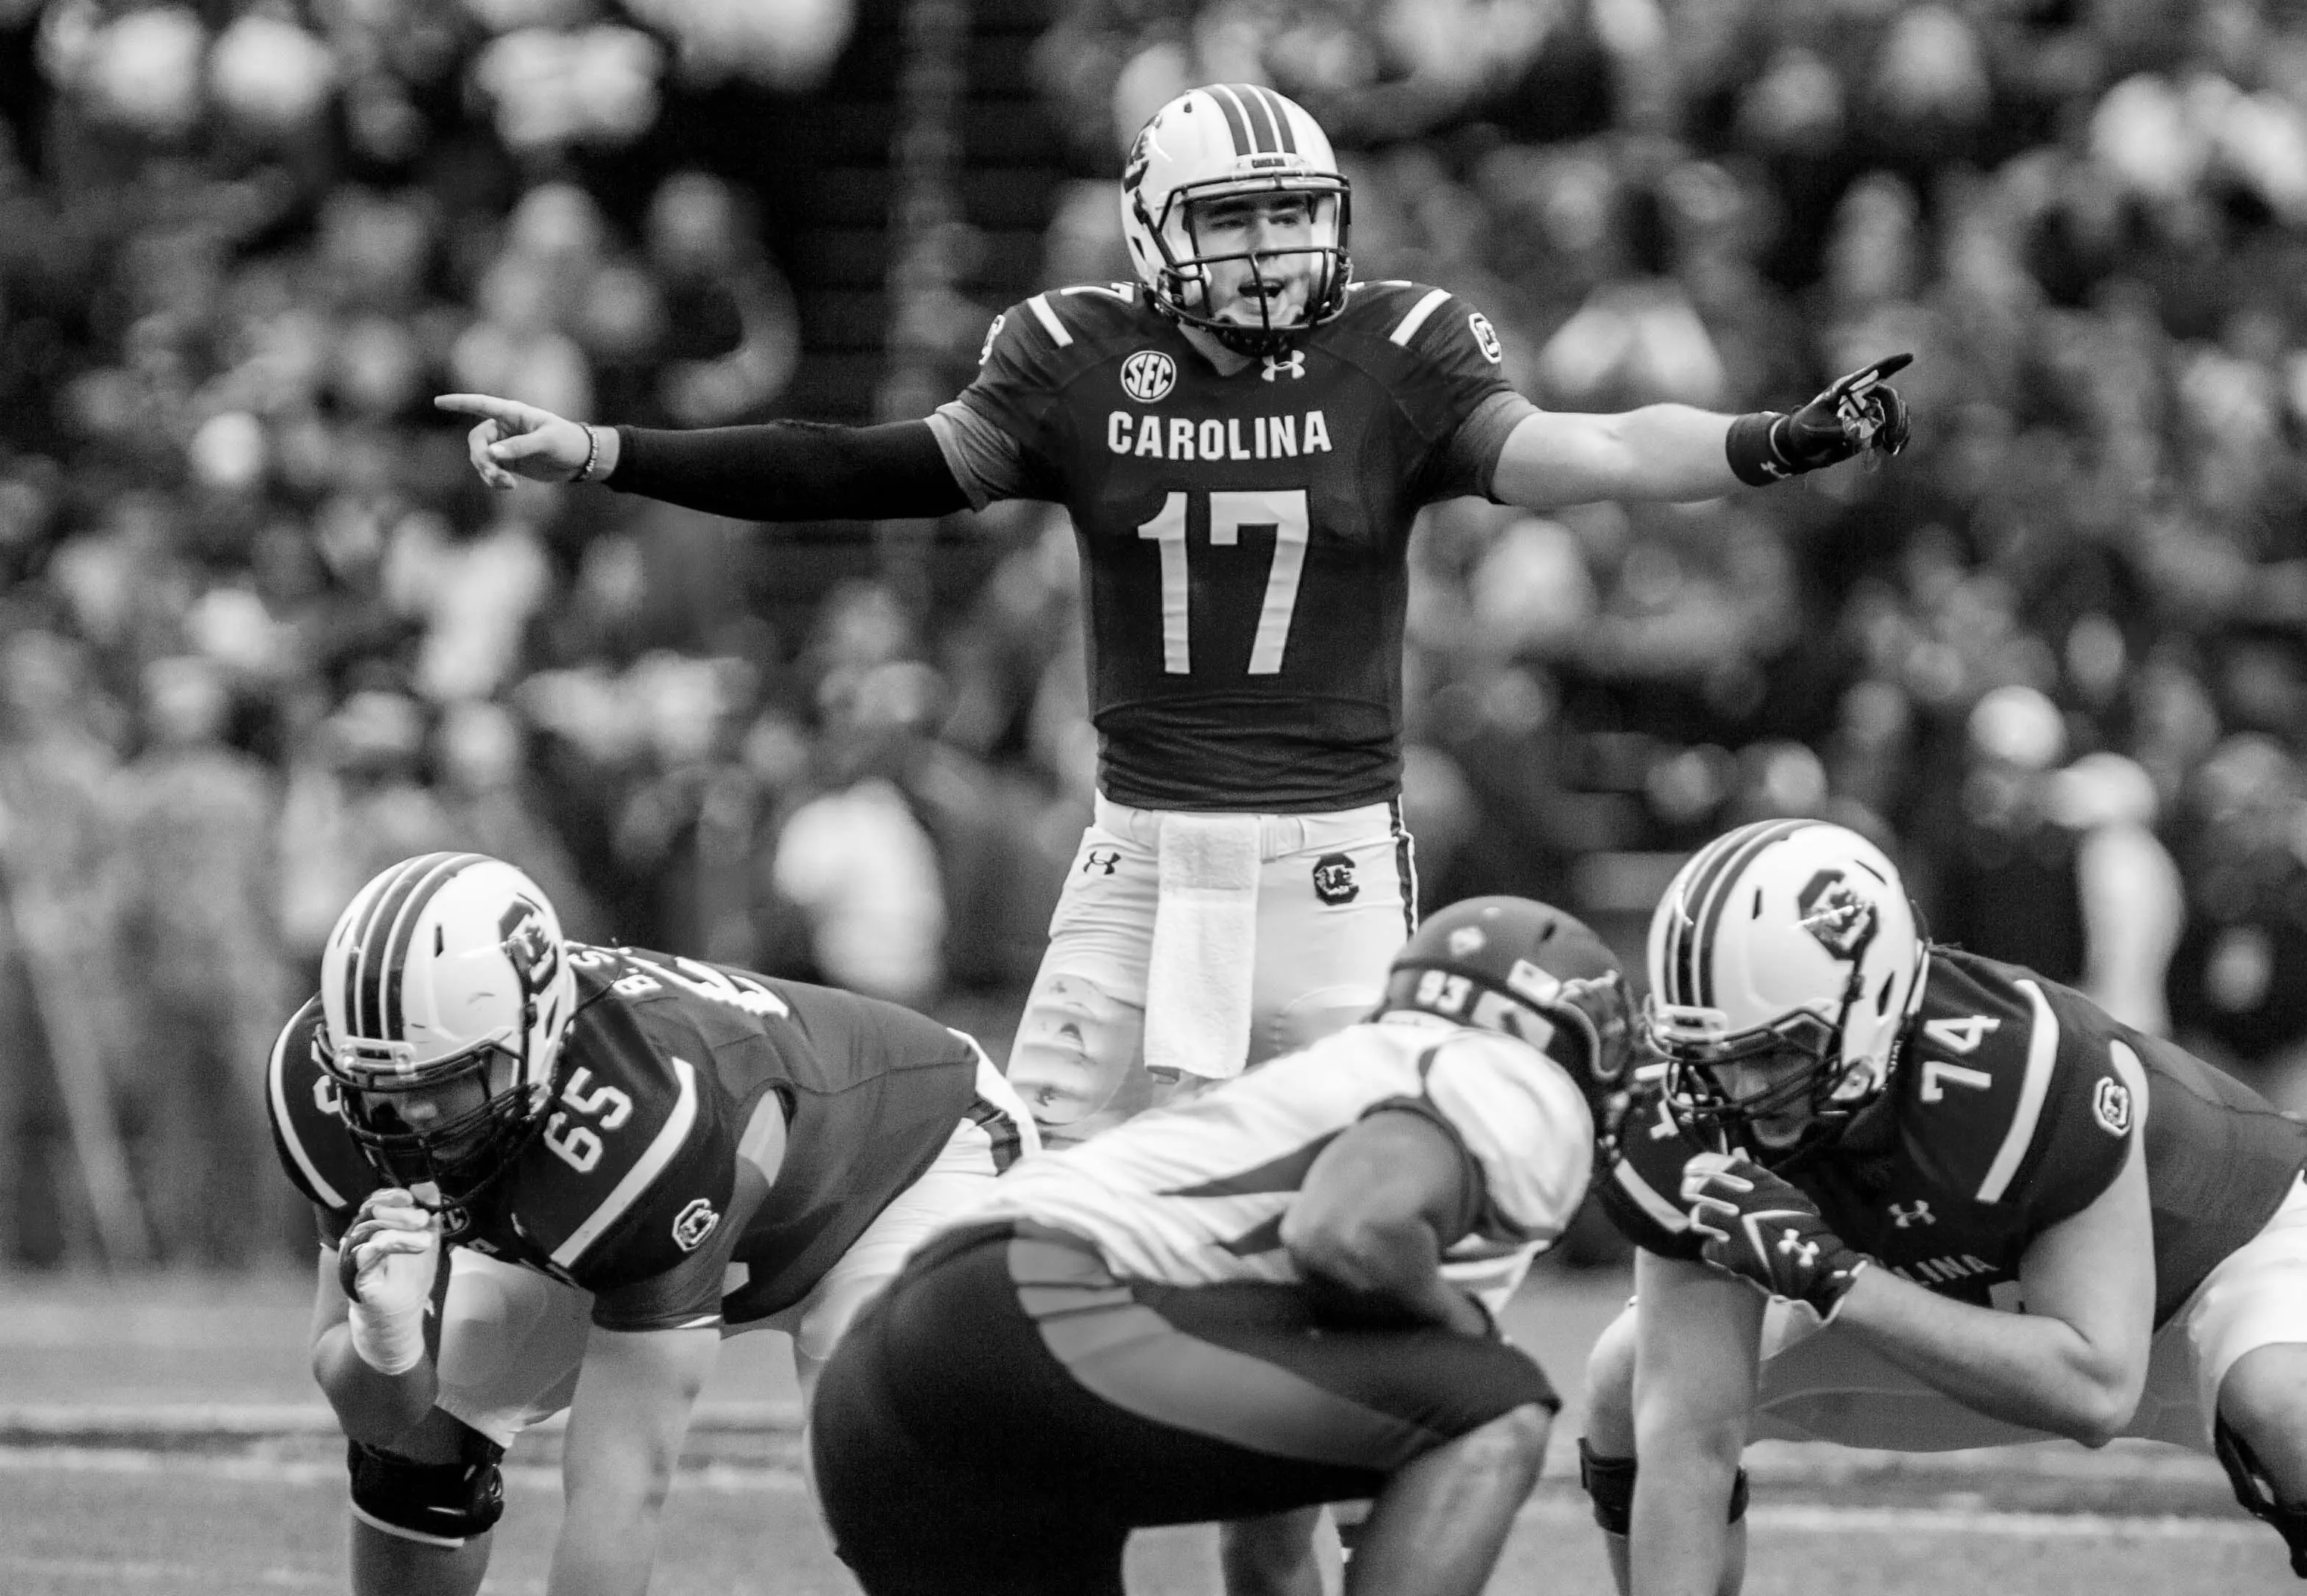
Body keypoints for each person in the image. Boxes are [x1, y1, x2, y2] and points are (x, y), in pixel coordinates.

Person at [433, 81, 1913, 1155]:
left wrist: (1764, 441)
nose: (1270, 247)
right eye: (1235, 217)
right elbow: (852, 465)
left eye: (1291, 214)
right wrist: (610, 449)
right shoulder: (1072, 356)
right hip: (1136, 858)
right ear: (1151, 229)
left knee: (1353, 1181)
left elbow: (1592, 447)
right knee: (1031, 1178)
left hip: (1329, 865)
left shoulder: (1396, 348)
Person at [1578, 820, 2307, 1596]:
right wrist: (1838, 1278)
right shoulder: (1684, 1116)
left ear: (1873, 1006)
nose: (1738, 1091)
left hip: (2215, 1263)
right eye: (1712, 1056)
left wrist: (1839, 1280)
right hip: (1975, 1304)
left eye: (1775, 1054)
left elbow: (2095, 1387)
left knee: (2293, 1405)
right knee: (1629, 1380)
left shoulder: (2016, 1069)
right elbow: (1689, 1436)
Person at [807, 895, 1645, 1596]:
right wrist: (1463, 1326)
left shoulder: (1312, 1099)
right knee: (1495, 1402)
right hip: (1032, 1310)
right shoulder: (1495, 1074)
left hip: (880, 1380)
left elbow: (1268, 1552)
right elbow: (1349, 1234)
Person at [263, 851, 1036, 1596]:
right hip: (679, 1198)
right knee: (426, 1427)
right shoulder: (323, 1088)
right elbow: (376, 1414)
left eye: (449, 1080)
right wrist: (389, 1340)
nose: (413, 1116)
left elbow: (621, 1485)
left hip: (905, 1165)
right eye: (380, 1086)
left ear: (538, 1039)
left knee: (877, 1467)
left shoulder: (646, 1116)